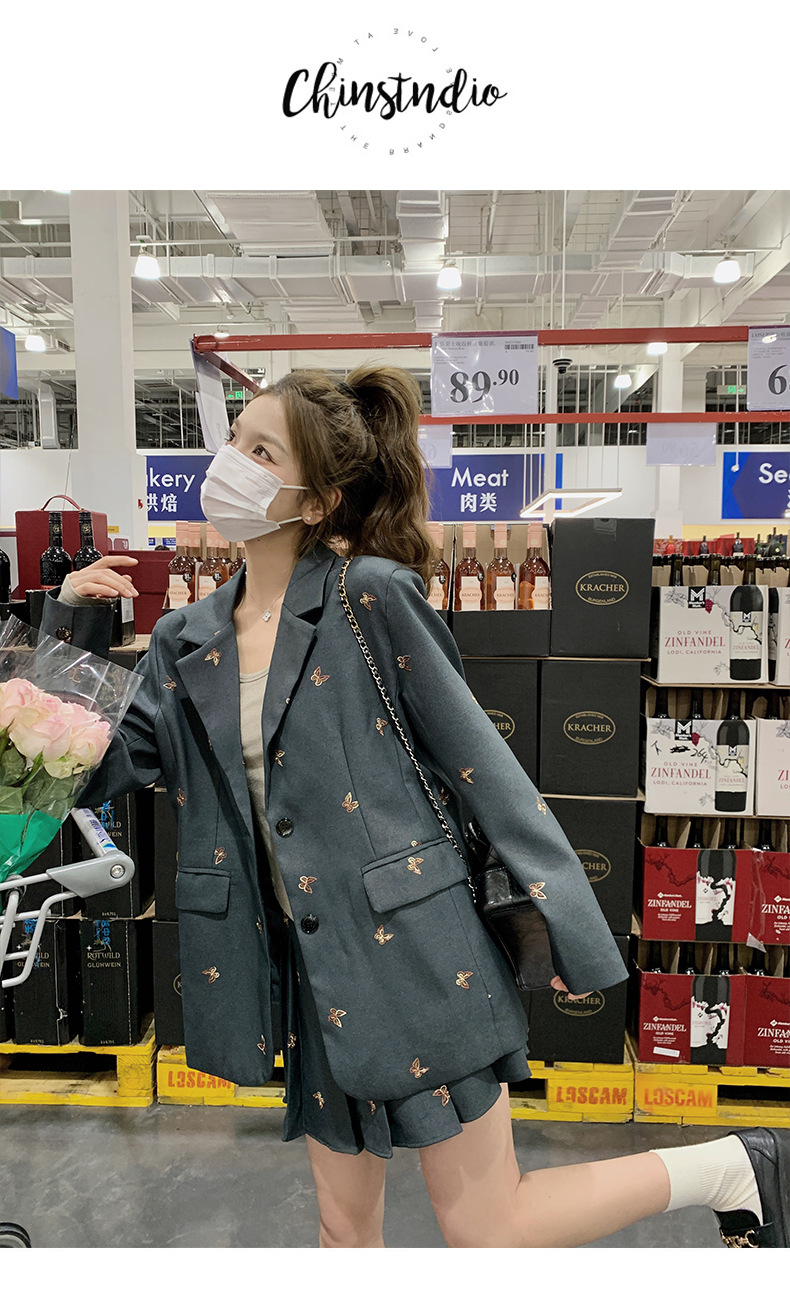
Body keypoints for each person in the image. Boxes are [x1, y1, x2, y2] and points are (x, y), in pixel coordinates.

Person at [48, 364, 788, 1250]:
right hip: (311, 968)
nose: (230, 463)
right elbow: (83, 771)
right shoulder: (184, 638)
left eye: (261, 450)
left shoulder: (370, 596)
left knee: (489, 1225)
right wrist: (68, 623)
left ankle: (732, 1168)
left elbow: (483, 767)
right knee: (341, 1228)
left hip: (420, 952)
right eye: (233, 440)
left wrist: (564, 921)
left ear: (317, 500)